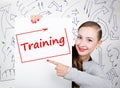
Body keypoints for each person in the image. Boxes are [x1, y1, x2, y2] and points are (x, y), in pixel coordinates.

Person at [31, 16, 112, 88]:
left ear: (98, 43)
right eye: (79, 37)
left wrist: (69, 72)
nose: (81, 44)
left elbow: (107, 85)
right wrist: (38, 24)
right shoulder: (64, 51)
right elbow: (43, 42)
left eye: (89, 40)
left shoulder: (93, 67)